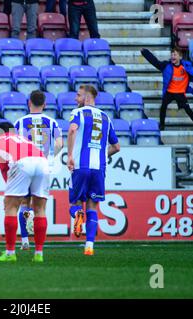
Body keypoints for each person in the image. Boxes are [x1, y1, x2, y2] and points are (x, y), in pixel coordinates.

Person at [67, 85, 120, 256]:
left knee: (74, 204)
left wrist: (69, 156)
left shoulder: (78, 113)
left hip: (80, 166)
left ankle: (77, 215)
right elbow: (117, 147)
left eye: (78, 95)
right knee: (93, 205)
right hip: (99, 168)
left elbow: (72, 129)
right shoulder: (106, 117)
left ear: (87, 97)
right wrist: (102, 154)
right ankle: (89, 245)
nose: (76, 99)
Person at [0, 122, 50, 263]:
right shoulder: (23, 138)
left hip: (22, 163)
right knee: (40, 209)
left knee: (11, 207)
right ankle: (39, 254)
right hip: (43, 162)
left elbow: (4, 168)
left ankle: (10, 253)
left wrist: (11, 194)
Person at [14, 90, 63, 250]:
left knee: (24, 203)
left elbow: (13, 145)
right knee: (40, 206)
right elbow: (59, 144)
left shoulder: (20, 122)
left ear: (29, 103)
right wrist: (48, 158)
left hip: (25, 164)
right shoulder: (51, 122)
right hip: (42, 165)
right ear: (45, 104)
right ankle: (39, 248)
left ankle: (25, 241)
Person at [141, 46, 193, 131]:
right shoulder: (166, 65)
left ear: (180, 57)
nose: (173, 56)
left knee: (188, 109)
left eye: (175, 55)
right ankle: (162, 126)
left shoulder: (187, 66)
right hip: (170, 92)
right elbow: (155, 62)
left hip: (180, 93)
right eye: (172, 55)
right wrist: (145, 52)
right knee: (163, 107)